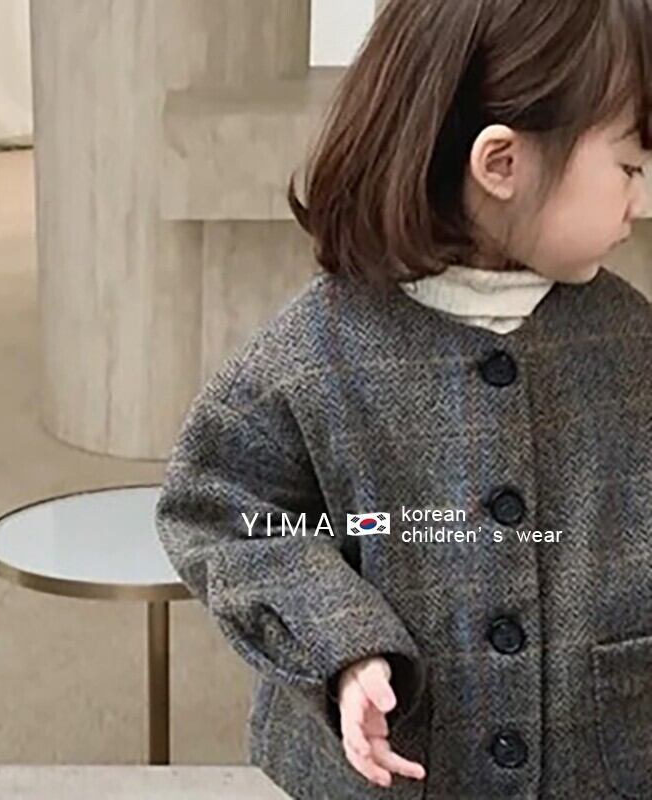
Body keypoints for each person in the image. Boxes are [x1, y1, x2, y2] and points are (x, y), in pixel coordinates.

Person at [154, 0, 652, 797]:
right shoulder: (319, 350)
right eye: (628, 167)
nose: (639, 199)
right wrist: (342, 642)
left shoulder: (631, 343)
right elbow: (220, 507)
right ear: (501, 163)